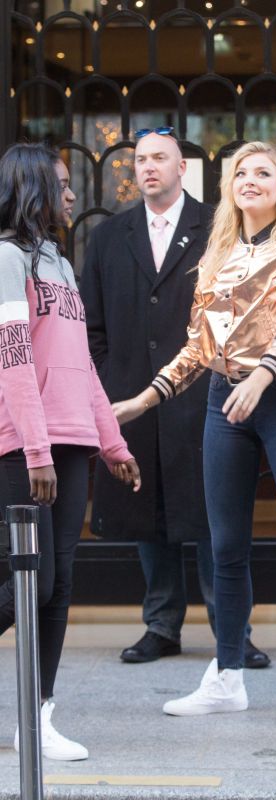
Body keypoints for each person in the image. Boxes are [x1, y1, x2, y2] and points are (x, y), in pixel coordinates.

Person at [112, 140, 276, 724]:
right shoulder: (217, 254)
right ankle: (228, 674)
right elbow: (198, 346)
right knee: (225, 548)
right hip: (224, 400)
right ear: (229, 188)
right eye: (240, 172)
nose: (250, 180)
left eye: (263, 172)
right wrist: (145, 398)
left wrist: (264, 376)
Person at [80, 128, 269, 669]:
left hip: (204, 390)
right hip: (132, 395)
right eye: (140, 160)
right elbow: (91, 322)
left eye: (159, 158)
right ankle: (161, 626)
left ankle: (232, 630)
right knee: (148, 509)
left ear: (182, 167)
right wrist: (106, 379)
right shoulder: (110, 236)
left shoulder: (219, 227)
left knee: (214, 512)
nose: (148, 168)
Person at [0, 143, 140, 761]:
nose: (72, 194)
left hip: (74, 441)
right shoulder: (7, 260)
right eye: (60, 184)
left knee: (57, 589)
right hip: (24, 447)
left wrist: (111, 441)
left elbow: (81, 363)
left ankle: (37, 717)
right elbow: (14, 359)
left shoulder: (58, 262)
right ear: (32, 190)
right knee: (28, 583)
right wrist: (35, 450)